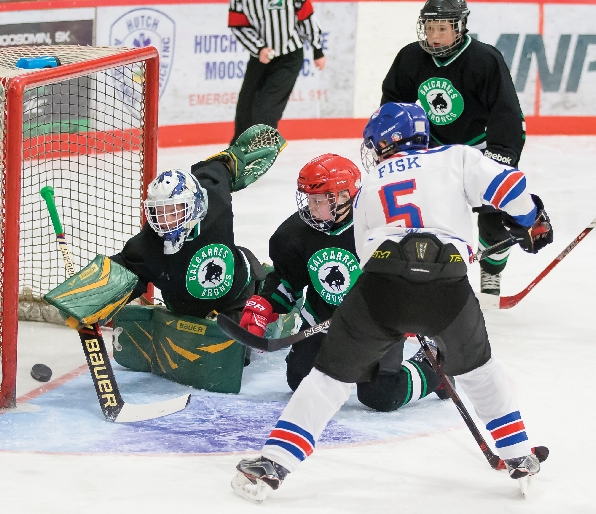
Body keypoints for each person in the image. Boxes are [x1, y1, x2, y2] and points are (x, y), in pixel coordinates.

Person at [230, 103, 552, 503]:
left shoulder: (371, 183)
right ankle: (518, 455)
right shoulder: (458, 157)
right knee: (479, 372)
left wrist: (403, 298)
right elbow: (513, 190)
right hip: (446, 286)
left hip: (381, 292)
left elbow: (367, 255)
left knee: (328, 380)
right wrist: (531, 221)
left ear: (389, 142)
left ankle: (274, 462)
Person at [239, 153, 445, 412]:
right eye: (309, 200)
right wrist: (265, 304)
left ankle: (432, 364)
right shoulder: (295, 233)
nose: (311, 208)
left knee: (381, 394)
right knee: (301, 381)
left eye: (319, 200)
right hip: (322, 321)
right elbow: (287, 280)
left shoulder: (380, 227)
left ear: (345, 197)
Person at [46, 124, 286, 331]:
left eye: (174, 210)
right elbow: (125, 270)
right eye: (158, 211)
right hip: (184, 309)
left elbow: (220, 167)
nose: (165, 220)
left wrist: (236, 159)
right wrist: (85, 300)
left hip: (235, 296)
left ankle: (264, 284)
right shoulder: (148, 244)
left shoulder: (213, 196)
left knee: (232, 356)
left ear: (194, 205)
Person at [380, 0, 525, 296]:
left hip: (480, 150)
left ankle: (492, 271)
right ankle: (430, 272)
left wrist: (502, 156)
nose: (434, 36)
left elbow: (506, 112)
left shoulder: (485, 59)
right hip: (436, 150)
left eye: (442, 29)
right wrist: (391, 140)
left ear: (459, 27)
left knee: (494, 220)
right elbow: (394, 102)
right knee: (429, 215)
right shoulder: (411, 57)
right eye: (430, 27)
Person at [228, 0, 326, 145]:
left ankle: (261, 156)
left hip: (289, 57)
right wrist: (259, 48)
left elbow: (307, 18)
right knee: (245, 109)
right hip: (260, 58)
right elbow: (238, 25)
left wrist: (317, 50)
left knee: (265, 110)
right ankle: (235, 157)